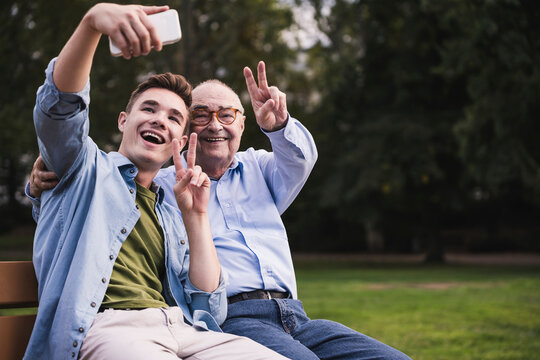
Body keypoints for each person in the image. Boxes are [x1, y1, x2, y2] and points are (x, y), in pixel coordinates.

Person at [29, 28, 411, 360]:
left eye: (226, 115)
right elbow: (67, 142)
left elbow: (301, 159)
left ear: (242, 125)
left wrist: (278, 127)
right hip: (226, 319)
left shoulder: (250, 173)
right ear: (184, 138)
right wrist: (40, 185)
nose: (215, 125)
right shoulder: (149, 181)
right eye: (200, 115)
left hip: (275, 315)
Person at [25, 3, 289, 360]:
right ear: (123, 120)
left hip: (181, 328)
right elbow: (60, 107)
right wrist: (92, 23)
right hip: (109, 328)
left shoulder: (169, 205)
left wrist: (196, 216)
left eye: (174, 117)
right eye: (148, 109)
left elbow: (209, 307)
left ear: (181, 141)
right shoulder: (82, 169)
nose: (160, 120)